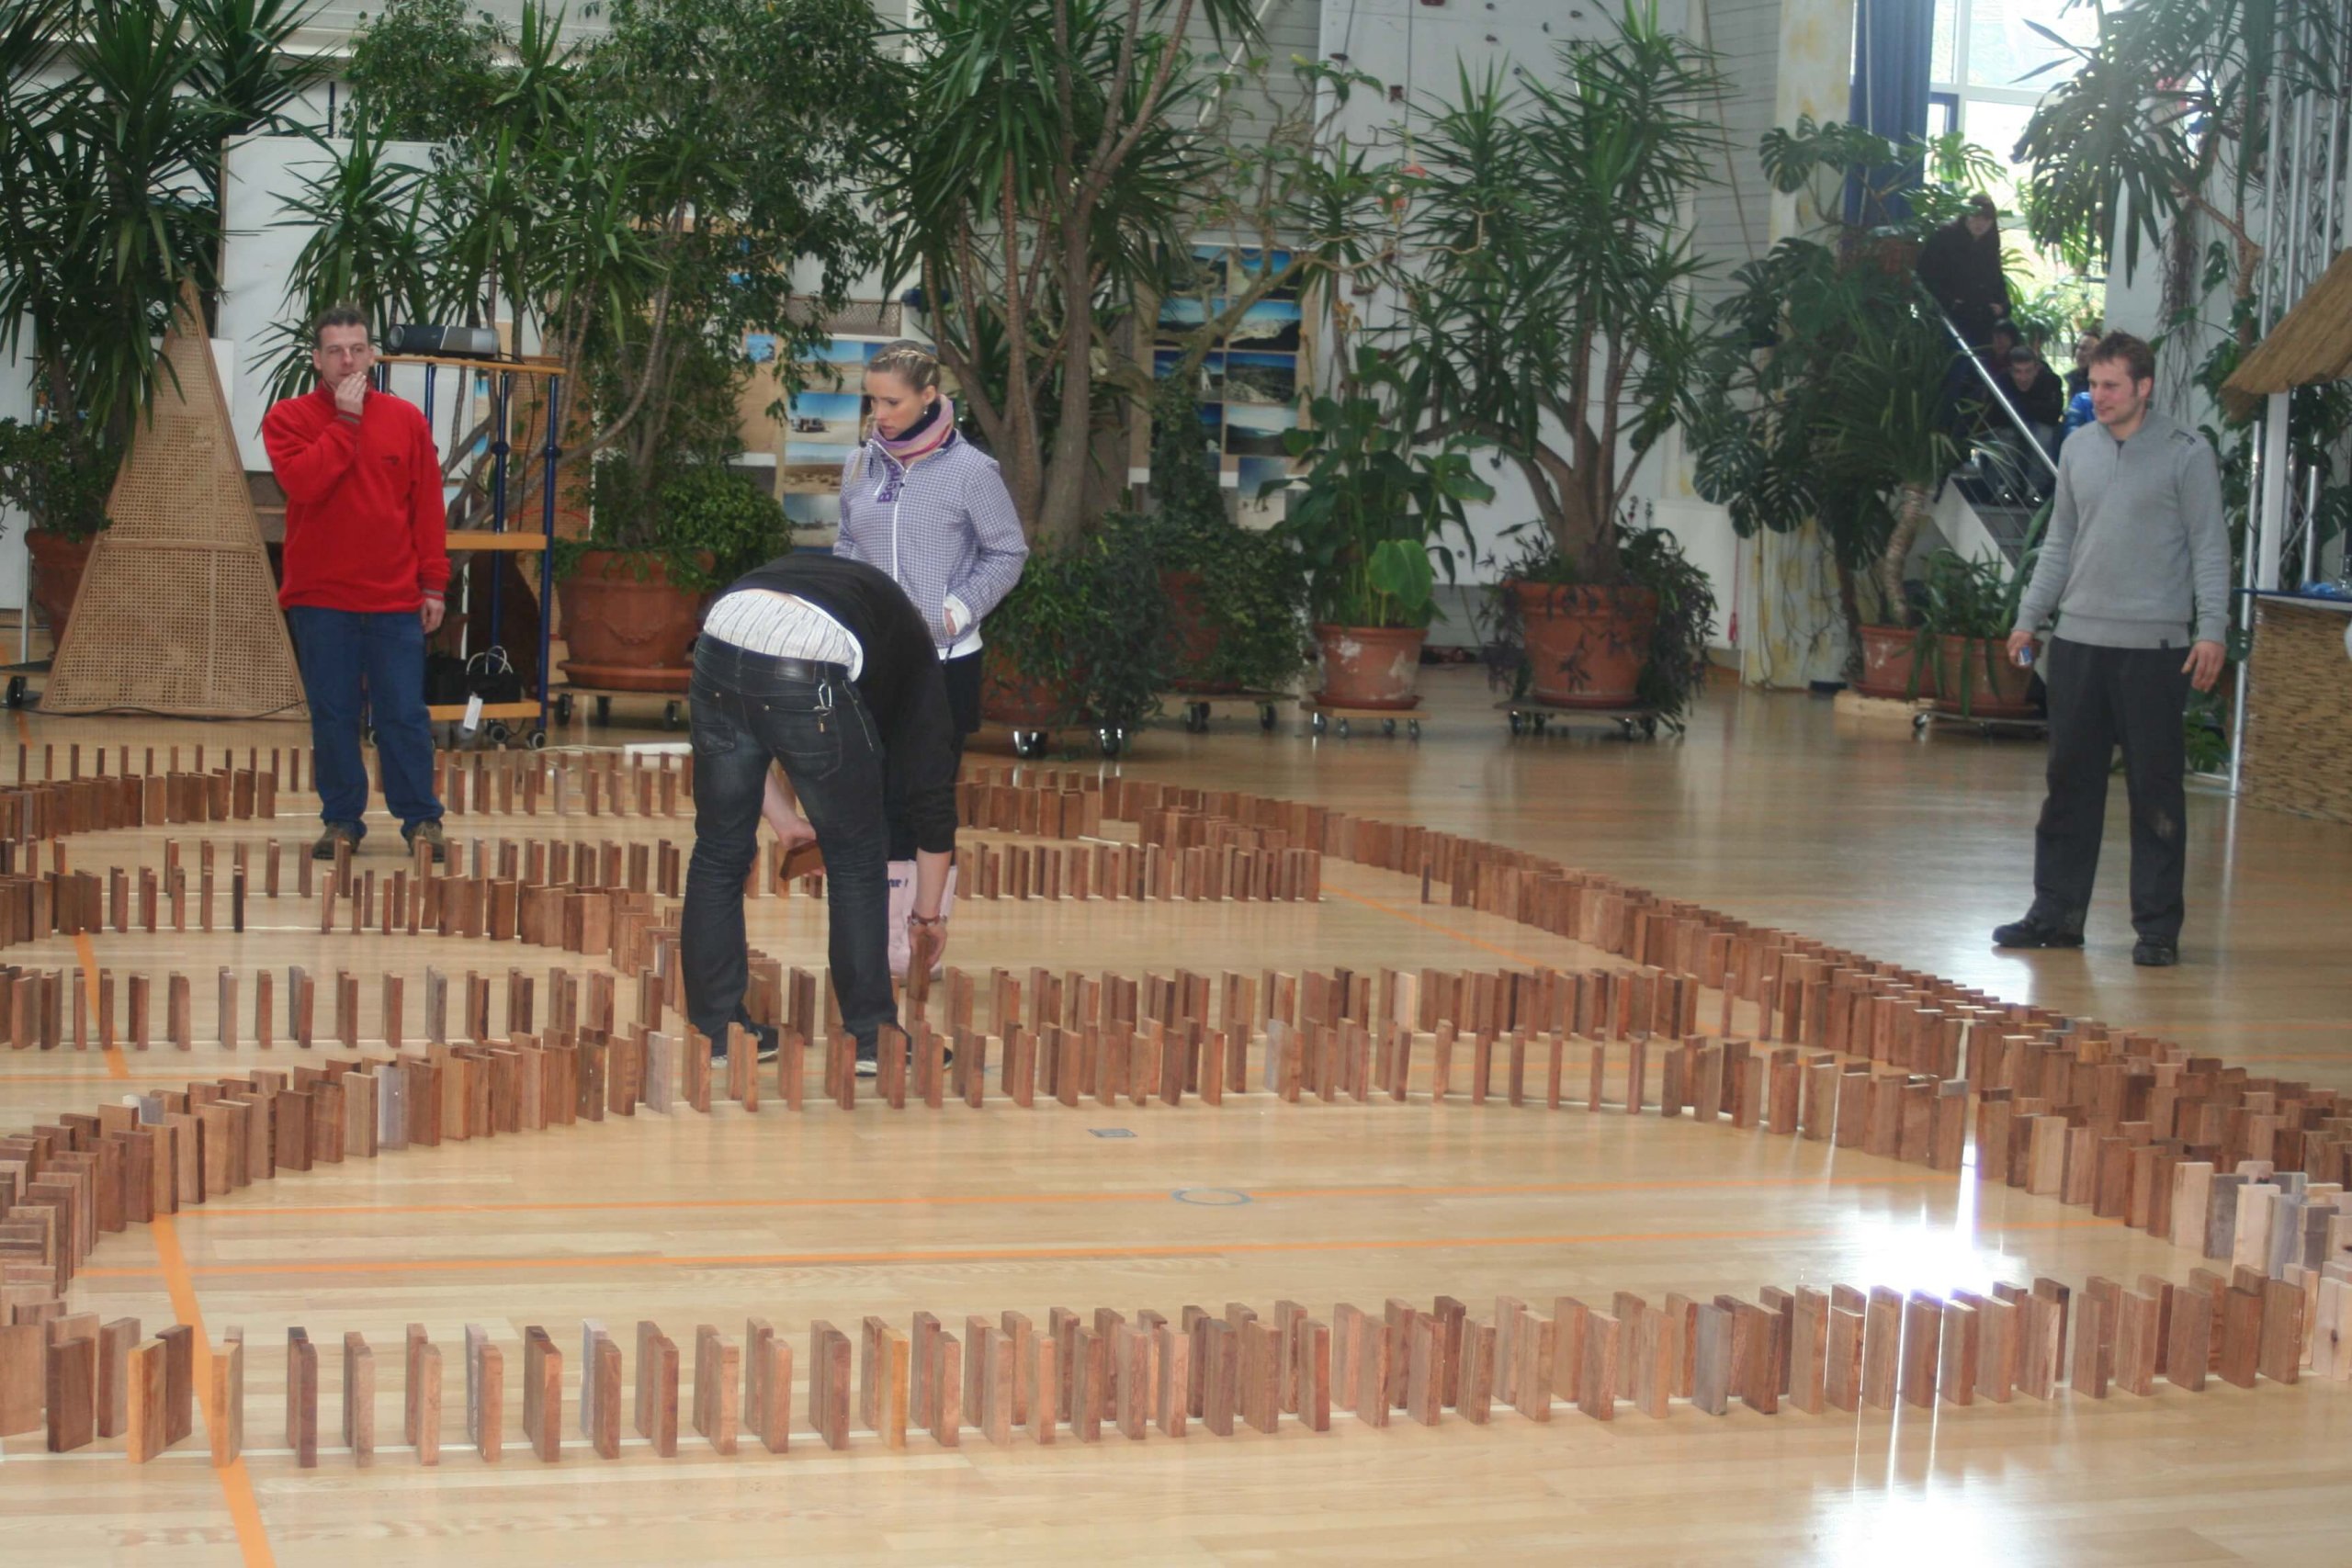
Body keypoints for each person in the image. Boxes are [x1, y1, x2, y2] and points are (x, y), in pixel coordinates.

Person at [1996, 332, 2230, 967]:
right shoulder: (2077, 449)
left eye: (2110, 386)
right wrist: (2029, 618)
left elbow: (2210, 547)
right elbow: (2061, 543)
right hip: (2076, 644)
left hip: (2155, 650)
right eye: (2092, 384)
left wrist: (2212, 629)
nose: (2096, 396)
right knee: (2067, 784)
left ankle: (2157, 929)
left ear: (2143, 387)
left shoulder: (2188, 454)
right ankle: (2055, 915)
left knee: (2155, 790)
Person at [682, 553, 958, 1074]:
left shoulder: (845, 587)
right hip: (805, 660)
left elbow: (745, 713)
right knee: (857, 858)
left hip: (722, 634)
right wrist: (927, 916)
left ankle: (717, 1030)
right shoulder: (920, 664)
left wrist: (787, 821)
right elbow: (933, 804)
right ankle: (873, 1038)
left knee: (718, 851)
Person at [832, 340, 1027, 972]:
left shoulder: (973, 471)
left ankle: (925, 934)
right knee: (873, 798)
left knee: (925, 799)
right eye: (872, 398)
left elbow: (1008, 553)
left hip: (944, 664)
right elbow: (846, 544)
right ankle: (884, 937)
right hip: (871, 664)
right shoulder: (860, 464)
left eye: (891, 400)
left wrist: (956, 611)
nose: (879, 411)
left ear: (928, 398)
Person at [263, 304, 449, 863]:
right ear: (317, 359)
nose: (349, 361)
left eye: (358, 349)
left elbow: (427, 510)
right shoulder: (289, 418)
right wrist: (343, 423)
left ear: (373, 354)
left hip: (395, 599)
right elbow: (304, 483)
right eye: (336, 351)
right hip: (321, 600)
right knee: (335, 715)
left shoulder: (405, 419)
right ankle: (341, 820)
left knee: (404, 715)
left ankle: (422, 821)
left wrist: (433, 585)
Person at [1917, 194, 2011, 349]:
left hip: (1983, 317)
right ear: (1965, 215)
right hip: (1948, 316)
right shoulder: (1944, 236)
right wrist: (1950, 302)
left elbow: (1996, 277)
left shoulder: (1990, 243)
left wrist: (2003, 305)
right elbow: (1926, 275)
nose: (1980, 224)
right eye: (1975, 217)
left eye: (1986, 220)